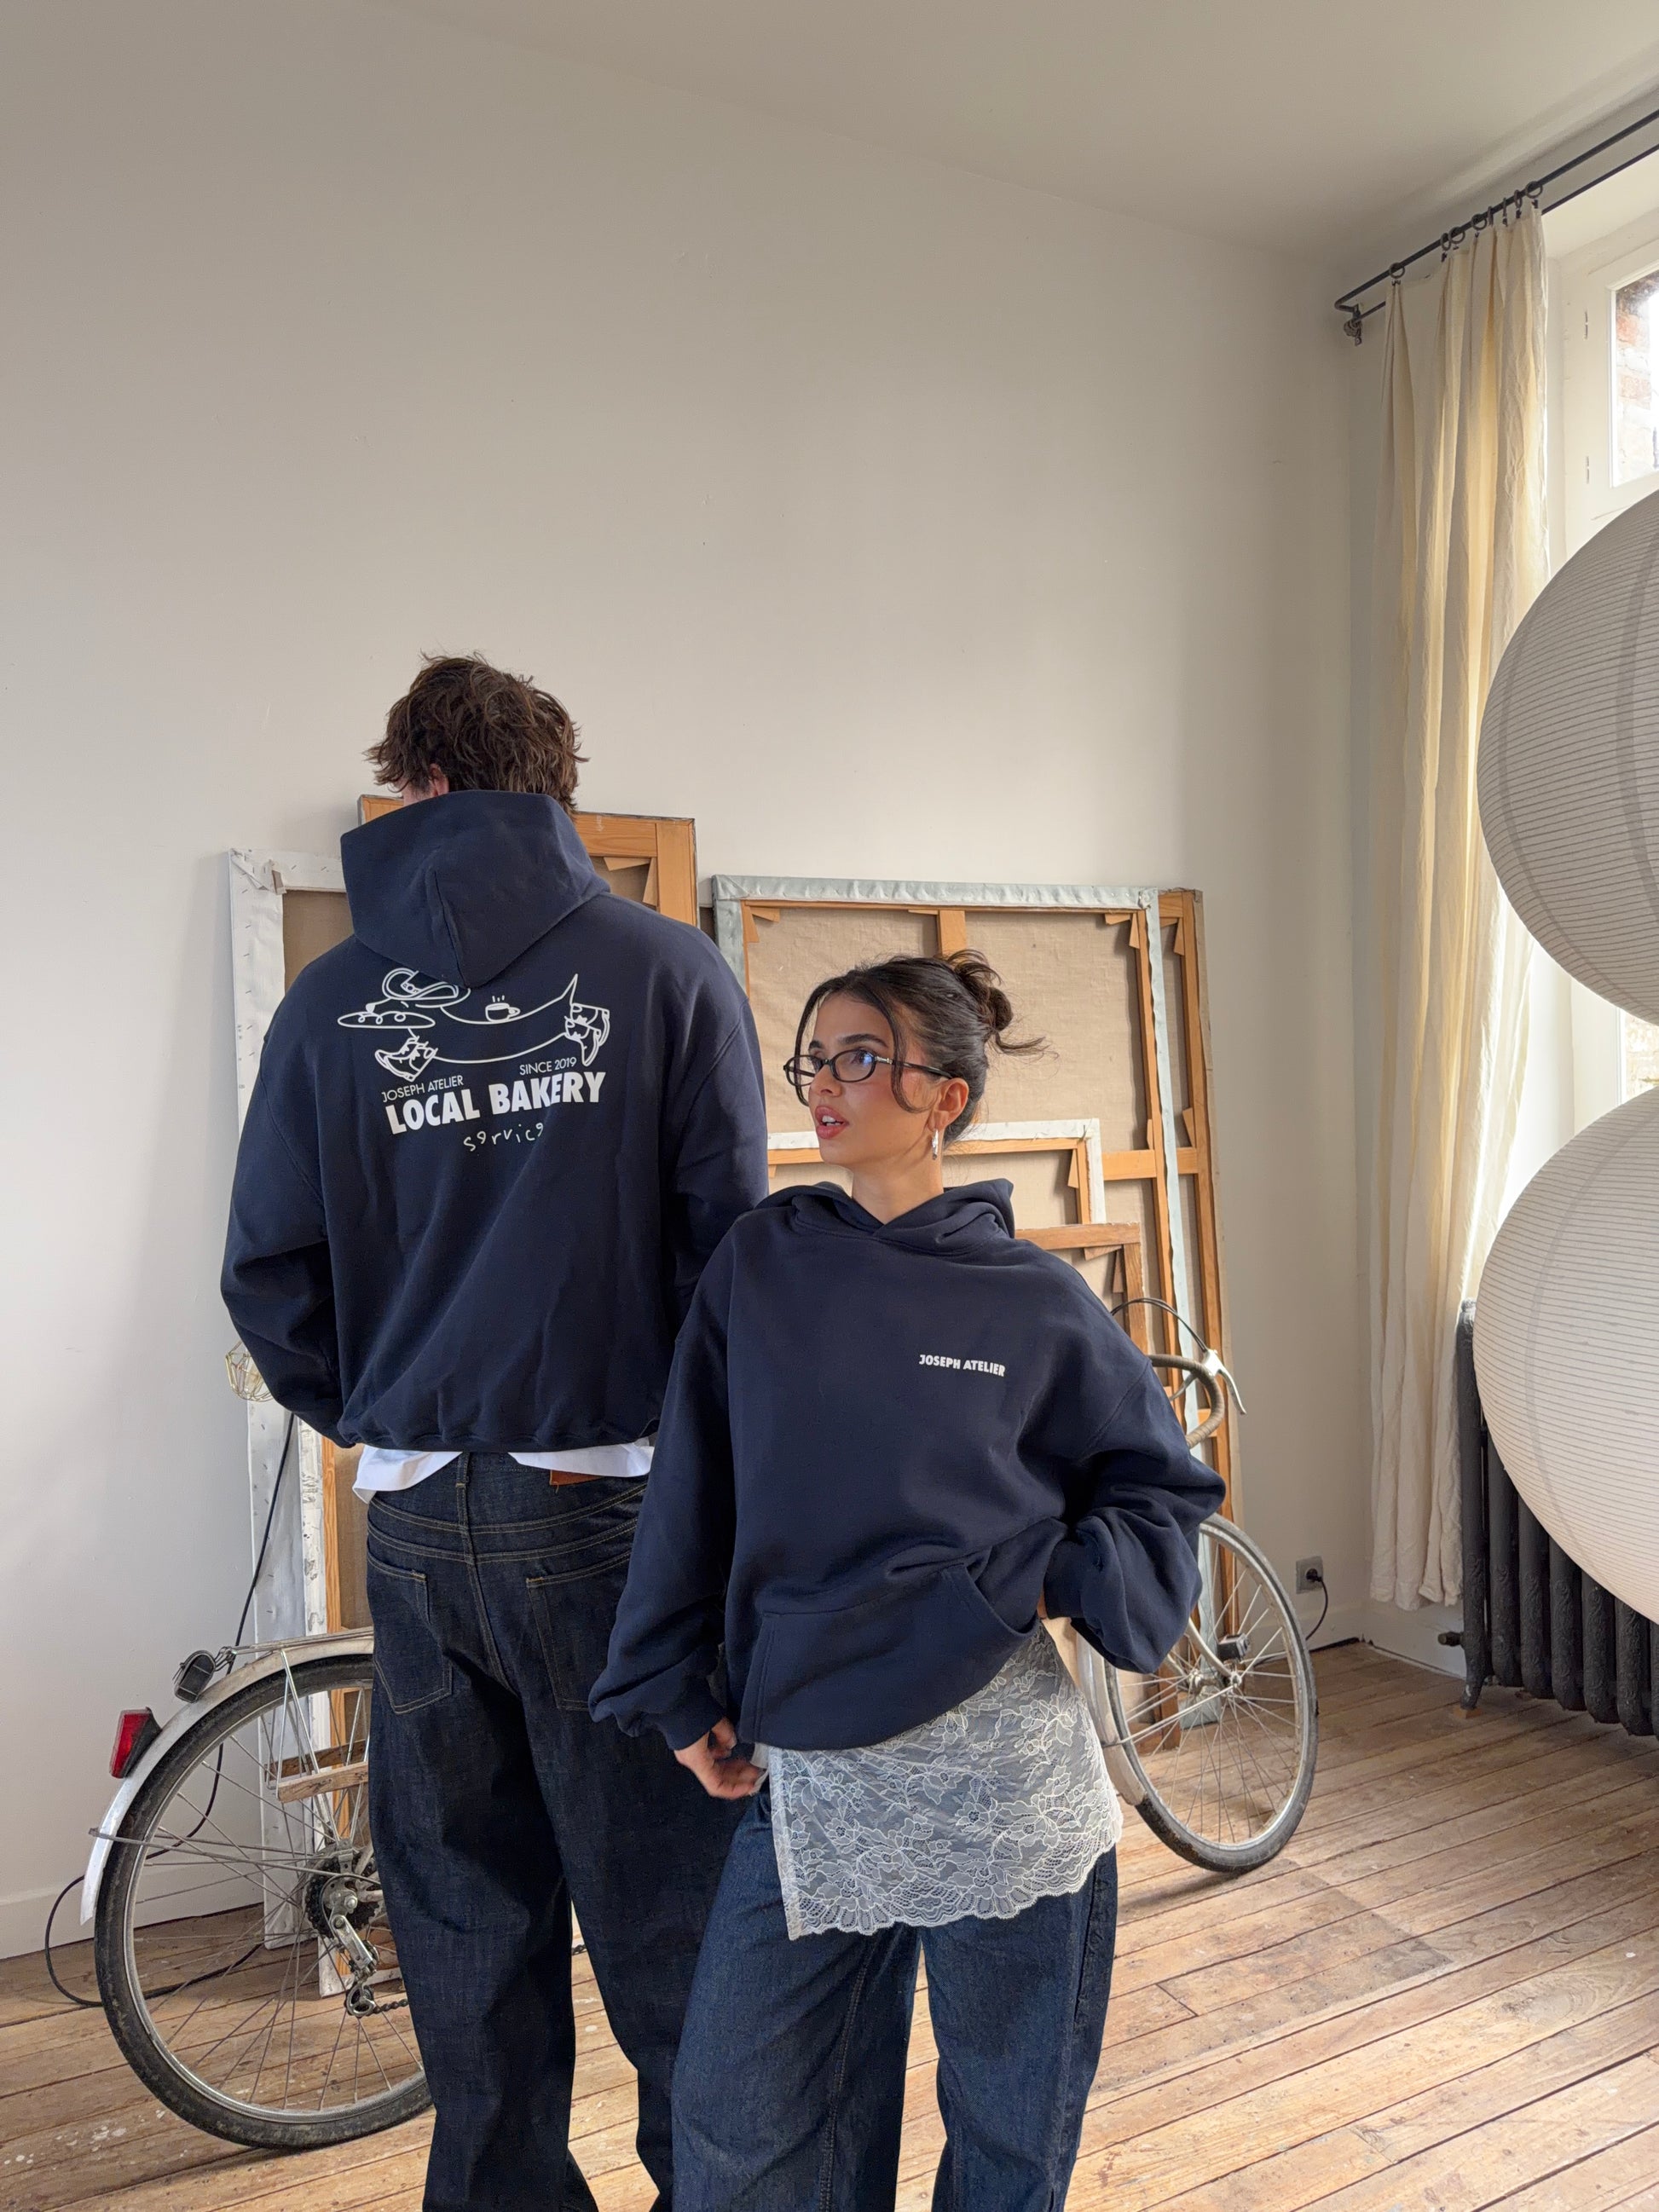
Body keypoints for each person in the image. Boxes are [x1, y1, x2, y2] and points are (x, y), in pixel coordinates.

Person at [222, 654, 768, 2212]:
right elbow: (729, 1260)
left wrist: (390, 1413)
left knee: (465, 1925)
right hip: (614, 1511)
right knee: (670, 1914)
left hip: (413, 1524)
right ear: (551, 789)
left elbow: (268, 1272)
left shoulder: (327, 1002)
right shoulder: (667, 972)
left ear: (420, 784)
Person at [592, 950, 1226, 2212]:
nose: (824, 1085)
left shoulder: (1032, 1301)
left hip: (1006, 1790)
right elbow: (693, 1489)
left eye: (860, 1058)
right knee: (735, 2132)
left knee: (1004, 2151)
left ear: (945, 1097)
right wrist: (671, 1687)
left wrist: (1037, 1579)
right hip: (814, 1774)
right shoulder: (762, 1266)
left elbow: (1161, 1494)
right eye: (813, 1060)